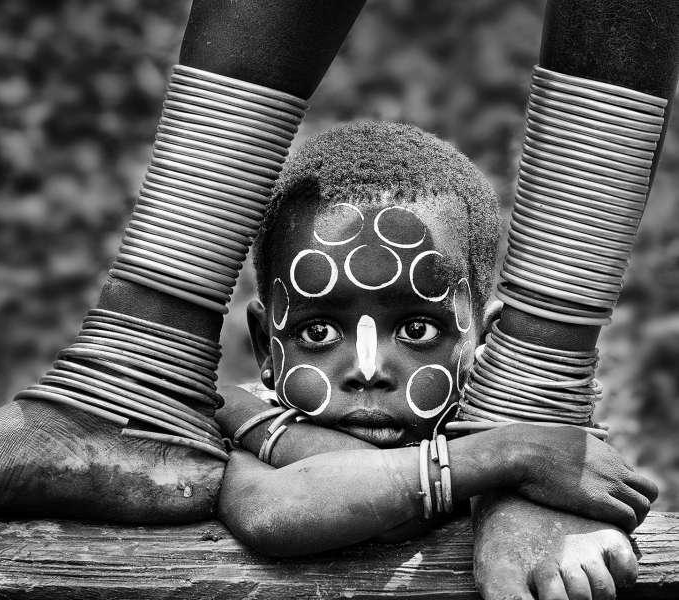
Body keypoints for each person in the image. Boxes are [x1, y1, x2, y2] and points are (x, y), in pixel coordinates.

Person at [215, 120, 656, 599]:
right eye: (318, 332)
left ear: (487, 343)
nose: (368, 369)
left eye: (417, 330)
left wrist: (250, 420)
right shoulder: (535, 449)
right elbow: (269, 510)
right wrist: (513, 455)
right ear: (265, 344)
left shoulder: (521, 418)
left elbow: (386, 509)